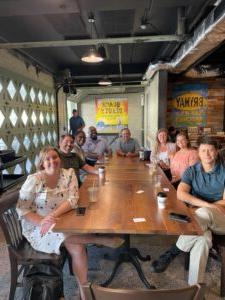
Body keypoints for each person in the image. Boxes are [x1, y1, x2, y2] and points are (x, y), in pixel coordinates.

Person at [16, 146, 124, 300]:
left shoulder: (69, 174)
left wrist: (53, 215)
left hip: (61, 219)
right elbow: (22, 210)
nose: (52, 161)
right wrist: (43, 221)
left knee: (78, 247)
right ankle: (98, 239)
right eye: (47, 159)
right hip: (38, 225)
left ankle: (83, 291)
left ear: (60, 158)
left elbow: (73, 199)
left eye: (55, 157)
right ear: (41, 164)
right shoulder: (34, 180)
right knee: (66, 236)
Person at [150, 136, 225, 286]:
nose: (207, 154)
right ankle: (195, 289)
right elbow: (181, 193)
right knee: (202, 240)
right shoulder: (192, 171)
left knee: (203, 213)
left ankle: (174, 250)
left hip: (221, 219)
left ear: (216, 152)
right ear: (198, 152)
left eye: (210, 150)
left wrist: (200, 207)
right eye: (203, 150)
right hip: (201, 220)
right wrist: (207, 205)